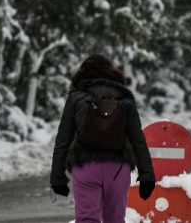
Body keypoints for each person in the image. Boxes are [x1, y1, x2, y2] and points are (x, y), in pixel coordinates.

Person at [50, 55, 155, 223]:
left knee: (87, 219)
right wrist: (147, 175)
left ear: (83, 75)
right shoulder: (125, 98)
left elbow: (63, 139)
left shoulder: (76, 98)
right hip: (118, 169)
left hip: (85, 167)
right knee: (114, 220)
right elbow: (138, 139)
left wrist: (57, 177)